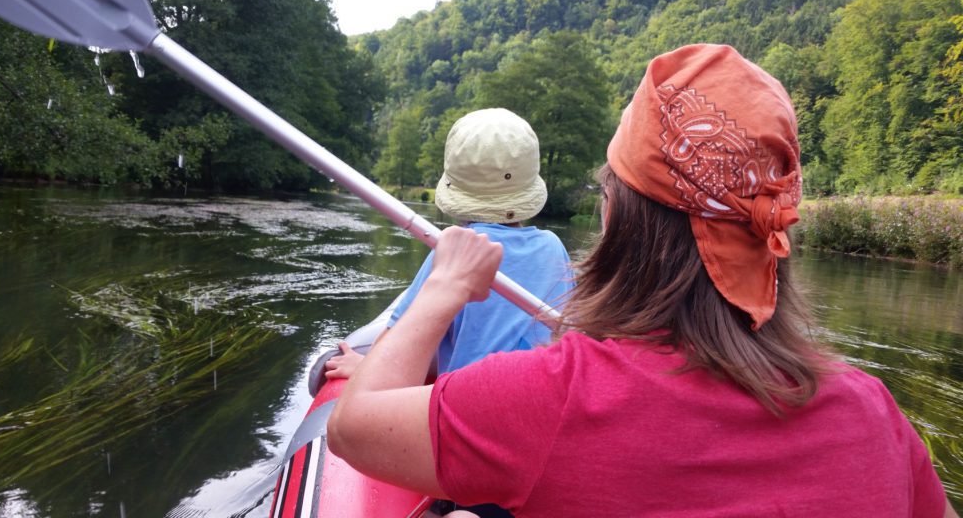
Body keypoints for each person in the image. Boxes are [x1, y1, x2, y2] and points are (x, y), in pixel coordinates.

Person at [327, 44, 958, 517]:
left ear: (619, 218)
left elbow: (353, 429)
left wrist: (442, 288)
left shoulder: (553, 399)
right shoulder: (876, 413)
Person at [325, 107, 573, 379]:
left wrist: (362, 365)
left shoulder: (451, 255)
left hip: (464, 405)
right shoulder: (554, 247)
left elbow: (391, 349)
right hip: (535, 400)